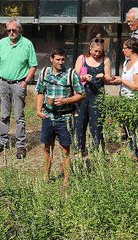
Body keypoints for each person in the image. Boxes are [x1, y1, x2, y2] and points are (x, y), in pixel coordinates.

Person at [35, 46, 85, 187]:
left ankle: (67, 180)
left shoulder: (71, 74)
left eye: (63, 59)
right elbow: (40, 92)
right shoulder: (44, 72)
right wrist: (39, 110)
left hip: (65, 117)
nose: (60, 62)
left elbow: (82, 94)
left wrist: (66, 100)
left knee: (65, 149)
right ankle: (46, 176)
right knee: (47, 148)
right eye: (57, 59)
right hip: (48, 116)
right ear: (51, 59)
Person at [0, 18, 38, 159]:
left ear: (19, 30)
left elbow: (33, 65)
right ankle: (3, 141)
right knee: (3, 114)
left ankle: (20, 145)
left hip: (18, 83)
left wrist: (26, 81)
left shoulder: (27, 44)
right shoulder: (1, 43)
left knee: (19, 116)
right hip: (3, 82)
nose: (11, 32)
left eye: (14, 30)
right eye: (9, 30)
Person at [73, 36, 112, 156]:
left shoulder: (105, 60)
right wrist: (83, 77)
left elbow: (109, 78)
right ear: (90, 48)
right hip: (83, 94)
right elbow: (74, 76)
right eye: (95, 51)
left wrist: (103, 76)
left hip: (97, 95)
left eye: (100, 51)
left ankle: (98, 151)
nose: (97, 53)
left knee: (97, 124)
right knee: (80, 122)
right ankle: (79, 149)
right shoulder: (82, 58)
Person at [111, 37, 138, 159]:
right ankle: (132, 151)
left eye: (125, 48)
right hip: (125, 100)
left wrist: (122, 80)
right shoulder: (126, 62)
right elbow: (126, 81)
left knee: (135, 127)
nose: (122, 50)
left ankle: (136, 153)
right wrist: (117, 81)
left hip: (134, 101)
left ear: (132, 49)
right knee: (128, 127)